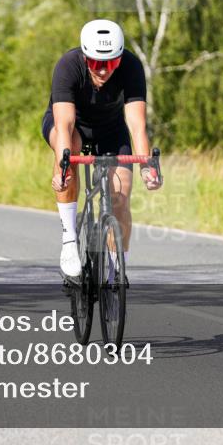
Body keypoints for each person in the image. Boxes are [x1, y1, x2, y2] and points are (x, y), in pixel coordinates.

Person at [42, 19, 163, 279]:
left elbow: (137, 125)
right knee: (70, 147)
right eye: (97, 63)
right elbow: (64, 124)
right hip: (71, 128)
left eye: (111, 63)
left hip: (110, 130)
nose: (104, 70)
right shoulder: (68, 66)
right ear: (85, 57)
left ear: (120, 58)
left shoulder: (131, 66)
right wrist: (64, 169)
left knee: (121, 194)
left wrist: (147, 167)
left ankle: (116, 271)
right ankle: (69, 240)